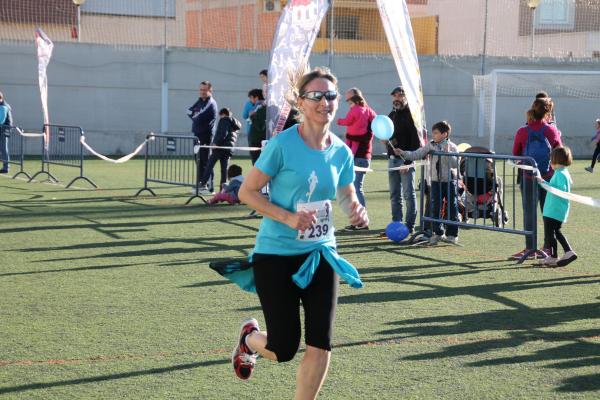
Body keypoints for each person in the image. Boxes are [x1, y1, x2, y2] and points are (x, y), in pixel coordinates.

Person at [233, 67, 368, 399]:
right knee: (283, 348)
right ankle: (250, 338)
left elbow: (347, 193)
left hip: (321, 254)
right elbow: (247, 192)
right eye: (316, 96)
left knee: (321, 343)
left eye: (331, 96)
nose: (325, 102)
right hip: (276, 255)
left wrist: (355, 209)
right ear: (301, 102)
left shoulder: (341, 151)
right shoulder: (282, 145)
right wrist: (288, 217)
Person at [512, 97, 562, 260]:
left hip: (528, 177)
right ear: (548, 112)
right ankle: (548, 247)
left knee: (529, 213)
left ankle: (530, 248)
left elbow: (515, 155)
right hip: (548, 178)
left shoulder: (521, 131)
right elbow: (560, 153)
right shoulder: (552, 130)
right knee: (548, 213)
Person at [395, 120, 459, 245]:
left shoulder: (452, 147)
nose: (433, 135)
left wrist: (448, 153)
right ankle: (438, 233)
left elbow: (455, 164)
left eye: (436, 133)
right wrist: (403, 152)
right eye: (433, 133)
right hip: (435, 182)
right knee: (435, 208)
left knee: (452, 207)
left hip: (449, 181)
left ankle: (452, 234)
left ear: (445, 134)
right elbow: (417, 154)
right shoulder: (431, 145)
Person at [336, 87, 376, 230]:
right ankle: (359, 220)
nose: (348, 103)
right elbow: (376, 123)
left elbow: (348, 121)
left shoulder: (356, 111)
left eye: (348, 100)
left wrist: (340, 121)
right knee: (355, 187)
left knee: (356, 188)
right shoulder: (369, 111)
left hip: (358, 155)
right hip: (363, 154)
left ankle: (361, 221)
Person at [386, 86, 422, 235]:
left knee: (408, 194)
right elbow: (391, 138)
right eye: (394, 96)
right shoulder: (391, 115)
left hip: (406, 160)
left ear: (406, 98)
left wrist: (408, 162)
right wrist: (387, 143)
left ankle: (410, 225)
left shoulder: (412, 115)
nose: (397, 99)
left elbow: (416, 142)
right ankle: (396, 224)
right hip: (392, 160)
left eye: (400, 96)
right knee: (394, 195)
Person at [538, 146, 577, 267]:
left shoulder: (560, 174)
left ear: (555, 160)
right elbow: (556, 188)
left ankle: (555, 257)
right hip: (556, 209)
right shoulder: (562, 173)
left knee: (550, 234)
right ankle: (567, 252)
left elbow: (560, 190)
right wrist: (544, 182)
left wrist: (543, 183)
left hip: (553, 210)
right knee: (556, 232)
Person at [198, 108, 241, 193]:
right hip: (228, 149)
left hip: (220, 147)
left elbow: (222, 133)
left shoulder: (224, 120)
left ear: (223, 114)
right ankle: (223, 190)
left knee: (209, 165)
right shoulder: (235, 124)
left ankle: (203, 184)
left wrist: (215, 143)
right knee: (224, 170)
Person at [188, 81, 218, 192]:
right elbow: (189, 111)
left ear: (210, 91)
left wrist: (195, 115)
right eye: (200, 89)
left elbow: (198, 116)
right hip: (197, 134)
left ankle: (209, 186)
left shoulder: (211, 103)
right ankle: (201, 183)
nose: (202, 92)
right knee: (198, 159)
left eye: (204, 90)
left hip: (206, 135)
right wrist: (195, 115)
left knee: (206, 160)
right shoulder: (199, 101)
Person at [247, 88, 267, 165]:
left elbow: (259, 125)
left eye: (251, 98)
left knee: (257, 163)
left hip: (257, 140)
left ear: (256, 97)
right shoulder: (262, 106)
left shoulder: (260, 106)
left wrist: (252, 116)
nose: (250, 101)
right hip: (259, 139)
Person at [0, 91, 13, 174]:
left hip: (4, 130)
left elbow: (1, 120)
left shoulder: (3, 107)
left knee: (4, 148)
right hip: (2, 129)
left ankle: (6, 167)